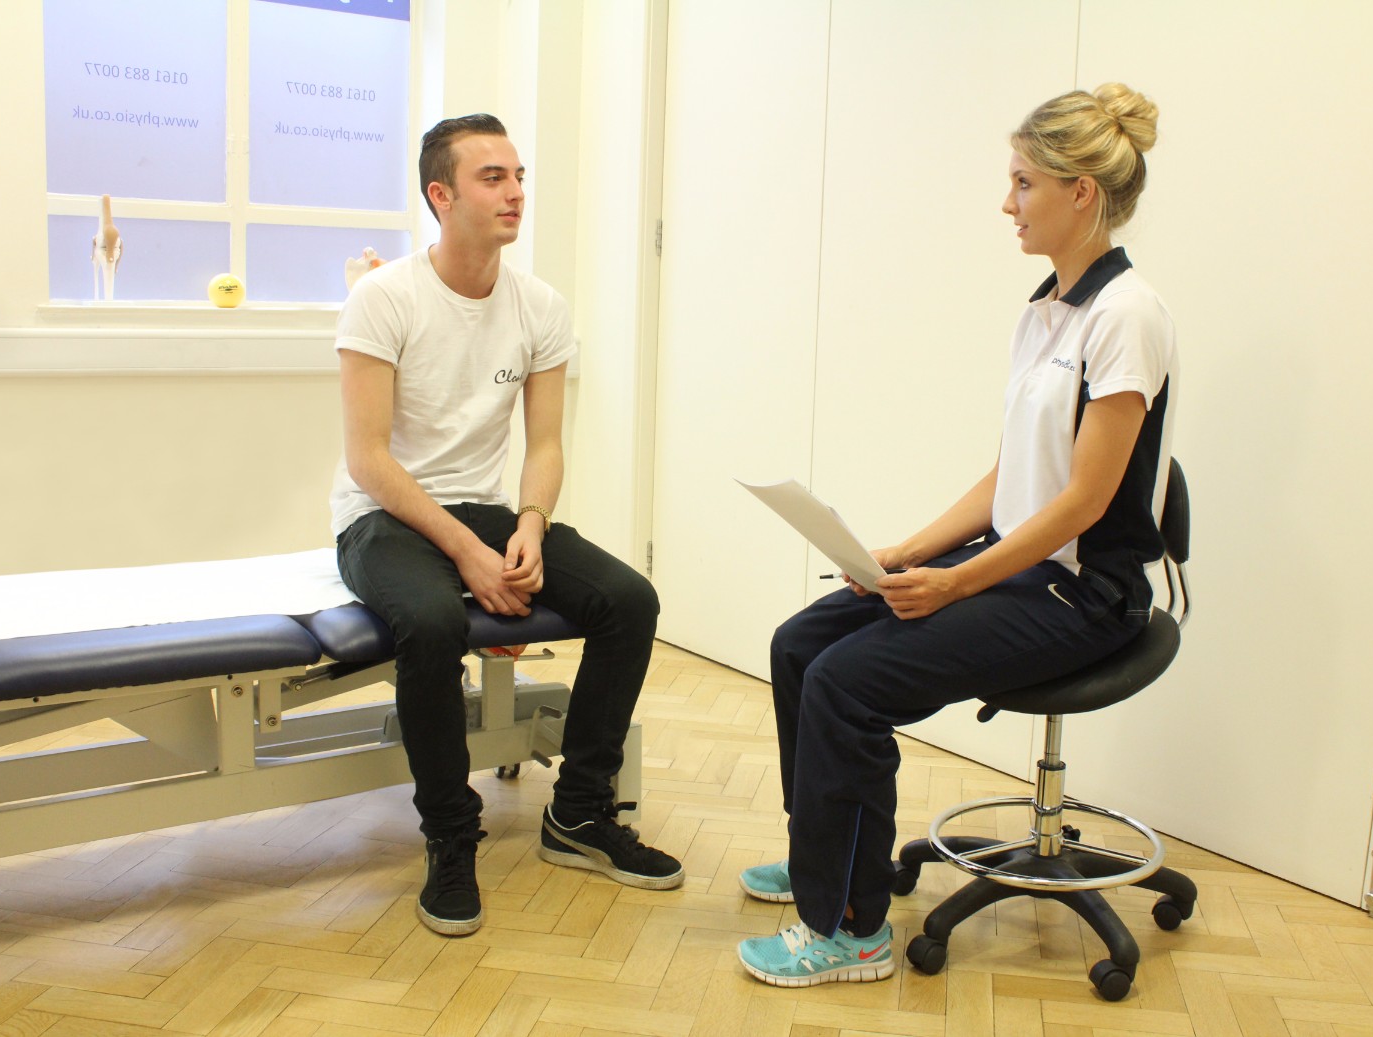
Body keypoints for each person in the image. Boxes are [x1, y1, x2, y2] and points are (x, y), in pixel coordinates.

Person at [736, 84, 1177, 987]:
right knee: (800, 642)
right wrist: (903, 553)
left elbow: (1083, 504)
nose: (1006, 203)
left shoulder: (1125, 316)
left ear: (1079, 192)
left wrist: (955, 583)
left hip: (1086, 593)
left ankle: (850, 928)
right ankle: (823, 855)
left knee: (848, 685)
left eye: (1022, 183)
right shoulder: (1046, 308)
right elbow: (1010, 476)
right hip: (1022, 566)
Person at [331, 114, 683, 938]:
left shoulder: (540, 306)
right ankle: (451, 835)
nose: (515, 191)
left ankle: (581, 813)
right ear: (440, 195)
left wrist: (527, 524)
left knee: (629, 600)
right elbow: (369, 460)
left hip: (484, 509)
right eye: (492, 177)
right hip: (383, 515)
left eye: (518, 174)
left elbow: (547, 442)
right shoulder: (383, 298)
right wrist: (470, 556)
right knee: (430, 618)